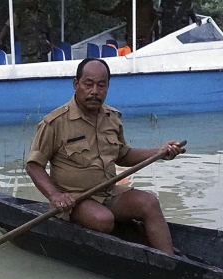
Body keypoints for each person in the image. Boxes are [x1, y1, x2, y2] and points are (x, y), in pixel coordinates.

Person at [26, 58, 185, 254]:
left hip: (109, 194)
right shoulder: (54, 122)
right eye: (88, 84)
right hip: (75, 199)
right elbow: (34, 165)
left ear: (108, 86)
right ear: (76, 84)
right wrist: (56, 196)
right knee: (103, 219)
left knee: (149, 203)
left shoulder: (112, 118)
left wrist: (159, 152)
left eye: (101, 85)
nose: (95, 91)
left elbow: (123, 155)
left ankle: (169, 262)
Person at [90, 0, 160, 49]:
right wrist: (94, 9)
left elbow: (155, 24)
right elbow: (112, 13)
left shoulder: (147, 7)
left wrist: (156, 41)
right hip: (131, 41)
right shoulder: (128, 6)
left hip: (145, 41)